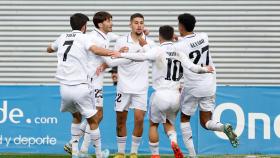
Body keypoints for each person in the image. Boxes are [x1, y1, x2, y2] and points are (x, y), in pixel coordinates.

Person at [111, 25, 214, 158]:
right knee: (169, 122)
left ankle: (155, 155)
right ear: (173, 36)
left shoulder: (158, 50)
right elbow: (192, 67)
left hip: (160, 95)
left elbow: (142, 56)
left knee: (153, 124)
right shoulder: (179, 51)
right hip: (176, 96)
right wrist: (205, 69)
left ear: (160, 37)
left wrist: (121, 54)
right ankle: (173, 141)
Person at [47, 13, 117, 158]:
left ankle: (75, 152)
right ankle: (97, 154)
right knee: (94, 118)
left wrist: (53, 50)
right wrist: (114, 53)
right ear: (84, 26)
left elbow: (49, 49)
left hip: (64, 87)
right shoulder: (85, 38)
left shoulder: (62, 37)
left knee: (77, 117)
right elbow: (96, 50)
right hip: (82, 84)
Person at [174, 13, 239, 157]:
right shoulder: (204, 36)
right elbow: (190, 42)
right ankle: (223, 127)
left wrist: (176, 39)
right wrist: (178, 37)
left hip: (193, 87)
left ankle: (192, 155)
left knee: (185, 119)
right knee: (206, 122)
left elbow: (188, 61)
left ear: (181, 26)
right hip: (209, 85)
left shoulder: (179, 46)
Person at [113, 13, 155, 158]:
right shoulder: (120, 41)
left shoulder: (149, 42)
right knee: (120, 121)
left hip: (141, 88)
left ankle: (134, 153)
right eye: (136, 22)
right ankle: (120, 152)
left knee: (138, 119)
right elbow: (112, 58)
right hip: (123, 87)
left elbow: (154, 58)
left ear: (144, 25)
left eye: (141, 23)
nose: (139, 25)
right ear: (130, 24)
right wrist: (119, 52)